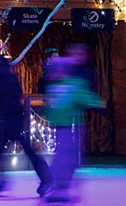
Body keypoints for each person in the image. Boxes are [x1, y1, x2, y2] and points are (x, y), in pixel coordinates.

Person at [0, 41, 53, 198]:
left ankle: (46, 179)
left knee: (25, 149)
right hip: (12, 115)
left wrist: (3, 109)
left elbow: (9, 95)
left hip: (11, 116)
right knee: (10, 150)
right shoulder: (2, 70)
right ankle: (4, 182)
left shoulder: (1, 72)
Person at [45, 50, 105, 203]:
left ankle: (62, 188)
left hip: (69, 127)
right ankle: (61, 187)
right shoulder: (69, 85)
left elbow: (80, 99)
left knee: (65, 158)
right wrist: (98, 103)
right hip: (66, 128)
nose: (53, 73)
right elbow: (84, 99)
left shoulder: (68, 85)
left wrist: (96, 103)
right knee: (64, 159)